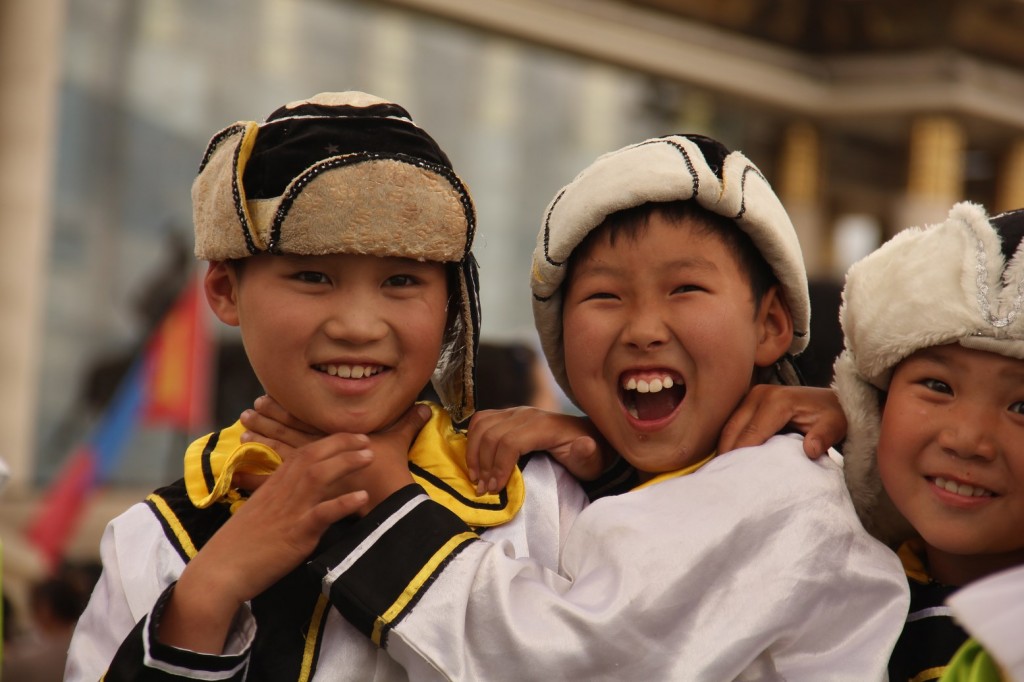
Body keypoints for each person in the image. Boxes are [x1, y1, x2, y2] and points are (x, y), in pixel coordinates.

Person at [265, 134, 908, 679]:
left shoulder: (776, 483)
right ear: (563, 350)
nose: (643, 328)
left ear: (769, 324)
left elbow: (566, 657)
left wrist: (381, 500)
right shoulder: (683, 477)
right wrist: (607, 469)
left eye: (685, 288)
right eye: (605, 297)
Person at [64, 91, 588, 680]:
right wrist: (208, 593)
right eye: (313, 276)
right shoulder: (155, 537)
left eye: (401, 279)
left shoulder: (542, 496)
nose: (358, 327)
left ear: (451, 305)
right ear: (224, 291)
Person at [833, 202, 1024, 681]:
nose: (967, 440)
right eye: (938, 386)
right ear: (873, 407)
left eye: (1022, 408)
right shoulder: (825, 584)